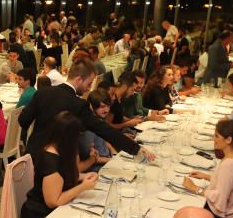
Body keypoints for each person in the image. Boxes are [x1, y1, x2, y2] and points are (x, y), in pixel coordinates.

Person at [19, 58, 150, 161]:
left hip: (32, 155)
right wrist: (135, 149)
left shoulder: (43, 92)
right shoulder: (78, 104)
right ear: (79, 80)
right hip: (56, 162)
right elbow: (103, 129)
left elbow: (23, 121)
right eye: (89, 83)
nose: (89, 88)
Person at [20, 112, 100, 218]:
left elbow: (62, 177)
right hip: (41, 217)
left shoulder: (60, 150)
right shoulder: (50, 161)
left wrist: (83, 176)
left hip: (55, 210)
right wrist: (82, 187)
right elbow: (53, 201)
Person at [183, 120, 233, 218]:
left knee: (184, 217)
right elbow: (228, 183)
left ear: (229, 140)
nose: (214, 139)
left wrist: (195, 188)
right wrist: (207, 176)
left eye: (217, 136)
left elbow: (220, 198)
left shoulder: (229, 164)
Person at [80, 90, 115, 172]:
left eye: (108, 106)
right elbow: (90, 157)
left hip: (107, 160)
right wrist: (111, 161)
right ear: (92, 106)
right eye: (102, 107)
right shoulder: (89, 127)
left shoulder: (100, 119)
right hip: (97, 169)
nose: (106, 110)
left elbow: (105, 139)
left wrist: (114, 153)